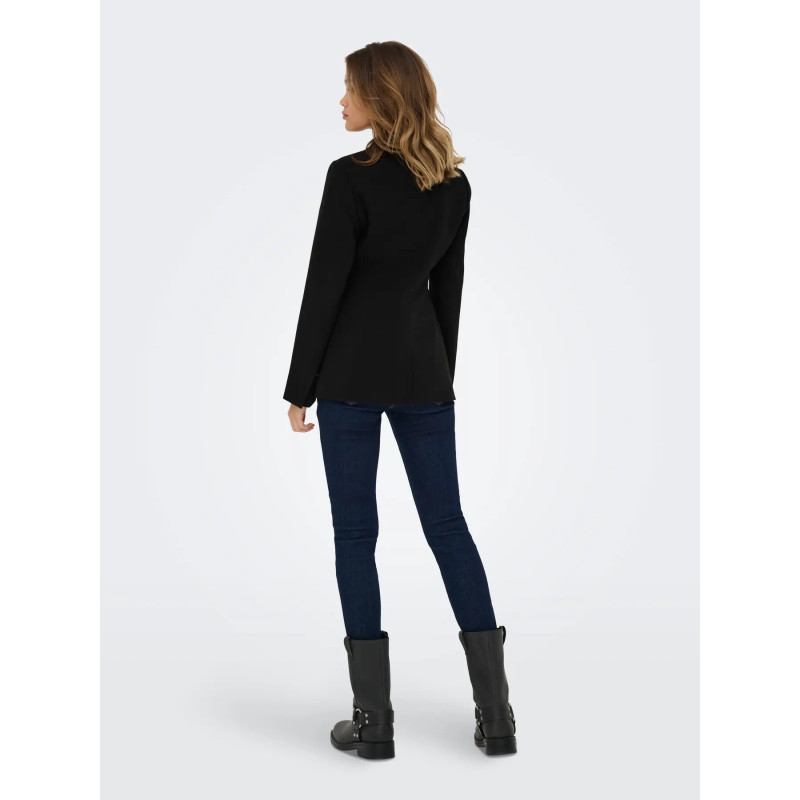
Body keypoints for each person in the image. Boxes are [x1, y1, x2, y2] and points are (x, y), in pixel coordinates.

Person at [283, 41, 516, 759]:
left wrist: (299, 387)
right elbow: (449, 294)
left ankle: (374, 723)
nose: (341, 101)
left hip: (349, 380)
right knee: (449, 527)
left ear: (380, 97)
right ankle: (498, 717)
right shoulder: (453, 185)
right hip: (424, 377)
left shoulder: (348, 178)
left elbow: (324, 287)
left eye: (350, 89)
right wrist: (440, 374)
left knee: (356, 536)